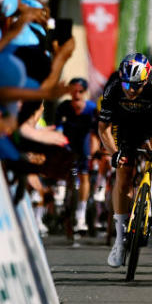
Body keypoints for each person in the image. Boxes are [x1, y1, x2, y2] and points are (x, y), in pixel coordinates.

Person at [97, 53, 152, 268]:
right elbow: (103, 129)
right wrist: (113, 154)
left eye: (136, 86)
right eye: (127, 84)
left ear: (146, 81)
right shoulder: (113, 87)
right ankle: (120, 241)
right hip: (126, 123)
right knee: (123, 175)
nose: (131, 90)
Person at [56, 78, 99, 233]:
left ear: (85, 92)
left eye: (80, 91)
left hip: (84, 143)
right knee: (62, 162)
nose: (77, 94)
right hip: (68, 142)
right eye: (74, 91)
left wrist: (95, 151)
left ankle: (80, 214)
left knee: (84, 175)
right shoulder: (63, 107)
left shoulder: (92, 109)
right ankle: (61, 192)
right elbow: (58, 128)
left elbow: (96, 133)